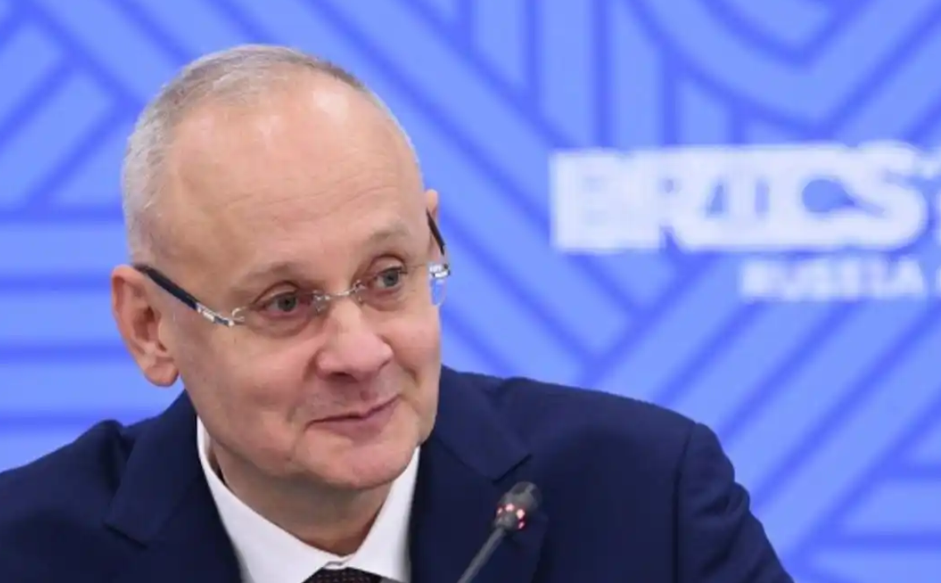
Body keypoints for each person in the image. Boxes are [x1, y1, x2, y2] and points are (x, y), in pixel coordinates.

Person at [0, 45, 793, 583]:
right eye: (285, 303)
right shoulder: (26, 550)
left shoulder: (647, 501)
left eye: (386, 277)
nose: (359, 352)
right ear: (149, 326)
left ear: (430, 239)